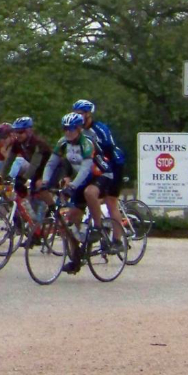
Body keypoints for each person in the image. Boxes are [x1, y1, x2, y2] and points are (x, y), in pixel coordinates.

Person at [41, 113, 115, 274]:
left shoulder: (87, 143)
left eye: (72, 128)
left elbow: (85, 168)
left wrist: (73, 185)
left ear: (80, 128)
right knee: (70, 221)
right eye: (65, 128)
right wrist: (45, 182)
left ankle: (98, 226)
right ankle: (76, 259)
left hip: (101, 175)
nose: (68, 132)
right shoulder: (63, 143)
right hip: (82, 179)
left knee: (89, 193)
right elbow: (51, 163)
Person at [73, 100, 125, 246]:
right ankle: (97, 226)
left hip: (113, 164)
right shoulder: (77, 130)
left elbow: (108, 149)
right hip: (94, 167)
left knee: (110, 201)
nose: (78, 117)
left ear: (88, 114)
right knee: (91, 196)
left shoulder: (99, 129)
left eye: (80, 114)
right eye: (75, 114)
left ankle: (117, 240)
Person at [0, 116, 53, 240]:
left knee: (38, 186)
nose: (18, 135)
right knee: (22, 192)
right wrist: (1, 176)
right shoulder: (18, 143)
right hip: (37, 170)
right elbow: (9, 161)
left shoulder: (37, 143)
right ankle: (32, 225)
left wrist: (26, 178)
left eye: (21, 132)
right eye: (16, 132)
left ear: (29, 131)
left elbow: (35, 164)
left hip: (49, 168)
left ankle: (51, 210)